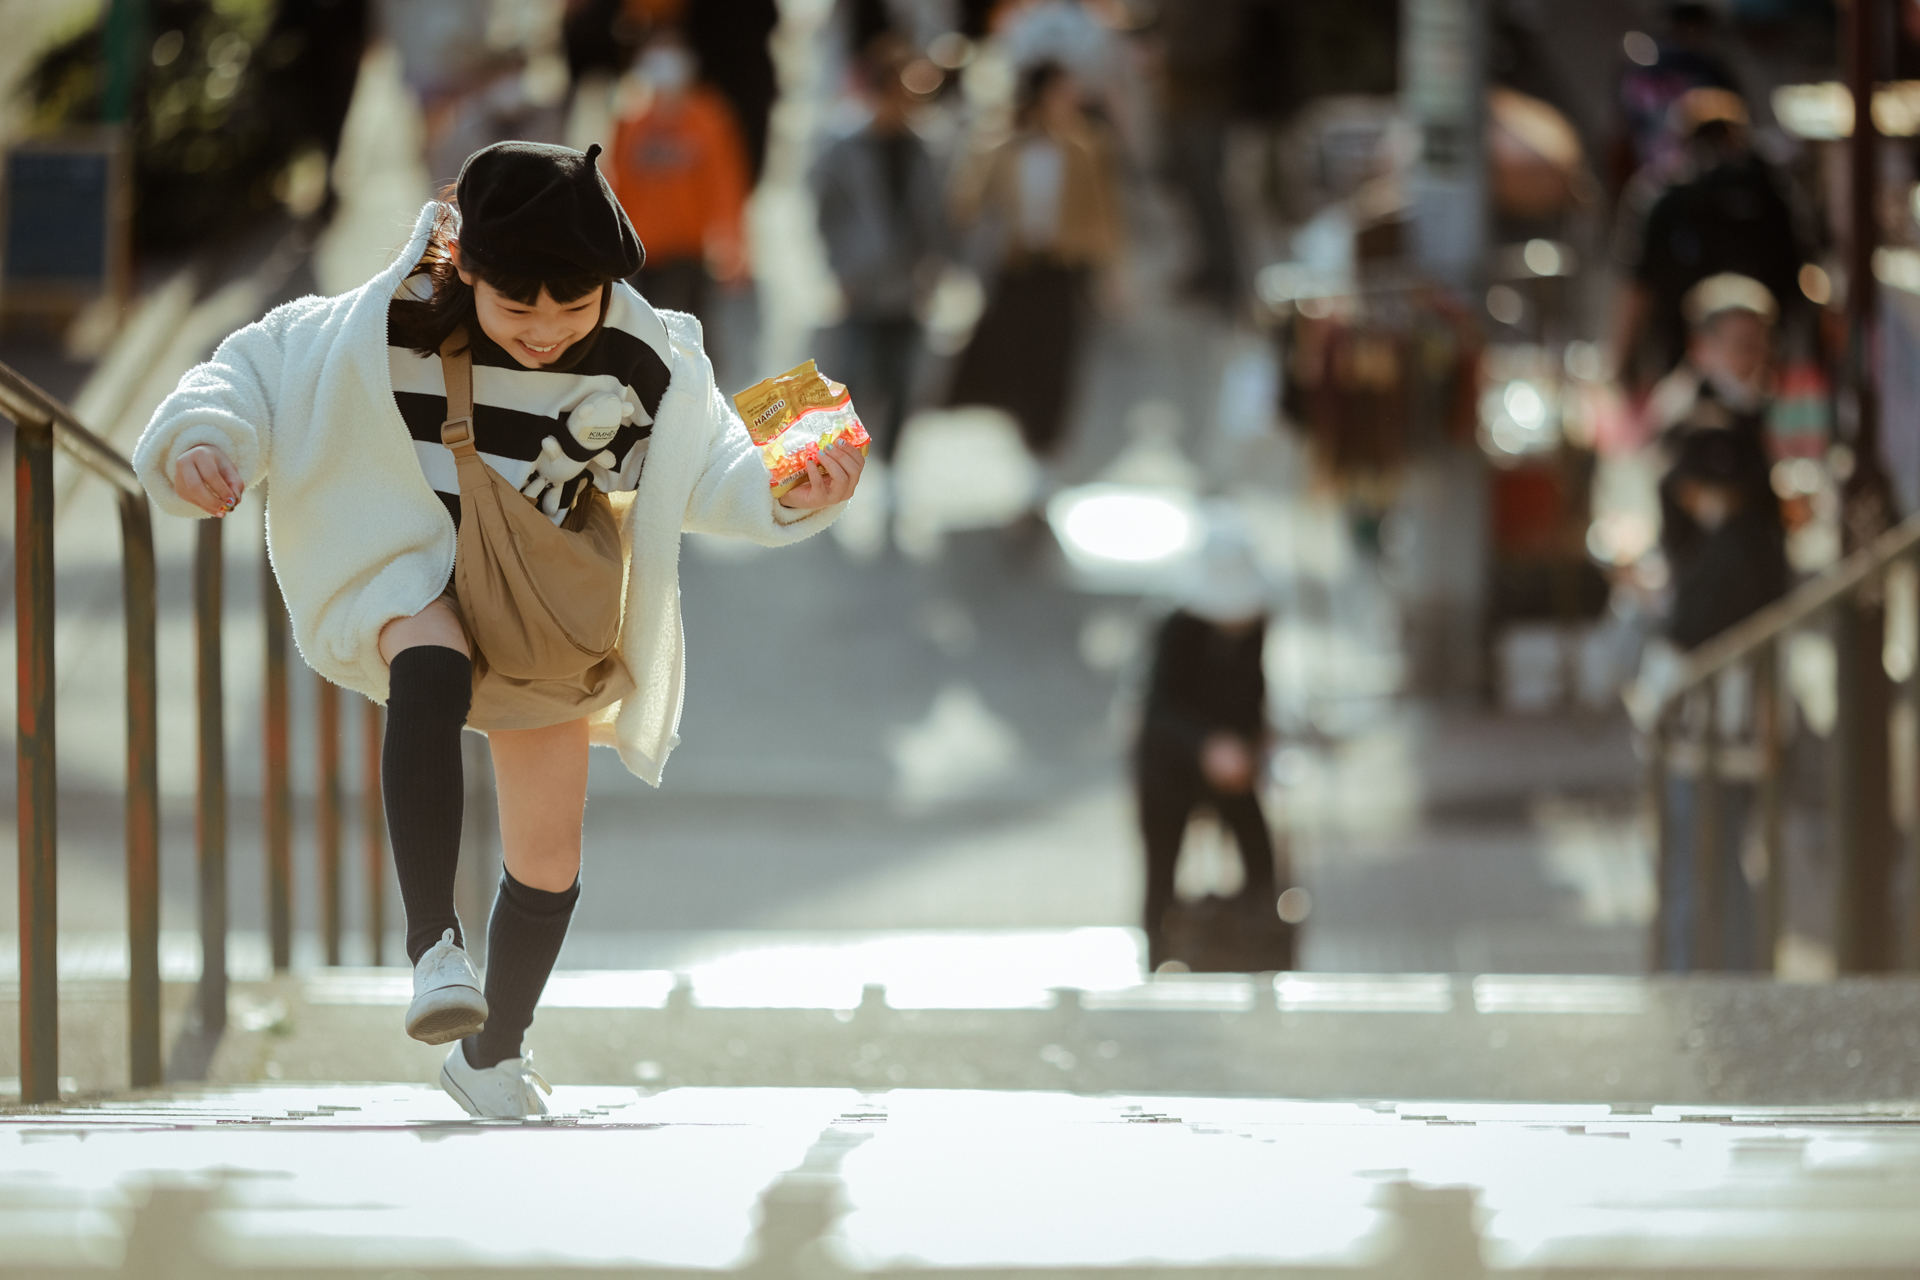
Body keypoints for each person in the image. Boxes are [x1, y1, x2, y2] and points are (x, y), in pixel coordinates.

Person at [132, 141, 863, 1117]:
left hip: (538, 600)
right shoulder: (384, 323)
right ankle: (433, 945)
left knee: (549, 855)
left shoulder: (639, 355)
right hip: (405, 567)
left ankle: (490, 1052)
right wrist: (203, 442)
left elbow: (708, 463)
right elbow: (253, 368)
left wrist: (793, 483)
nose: (548, 332)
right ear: (466, 268)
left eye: (574, 307)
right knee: (426, 656)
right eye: (519, 308)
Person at [1647, 275, 1787, 972]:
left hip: (1735, 659)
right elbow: (1725, 552)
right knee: (1699, 848)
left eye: (1758, 344)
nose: (1752, 356)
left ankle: (1733, 985)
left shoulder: (1745, 421)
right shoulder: (1699, 427)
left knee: (1729, 843)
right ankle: (1693, 988)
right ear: (1704, 347)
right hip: (1706, 660)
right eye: (1738, 344)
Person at [947, 60, 1121, 457]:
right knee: (1010, 353)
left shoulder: (1085, 145)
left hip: (1063, 266)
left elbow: (1104, 213)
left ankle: (1045, 442)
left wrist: (1112, 272)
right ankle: (1010, 432)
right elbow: (967, 203)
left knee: (1056, 357)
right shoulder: (1005, 145)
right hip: (1017, 265)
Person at [1134, 539, 1286, 973]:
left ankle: (1260, 945)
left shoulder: (1256, 624)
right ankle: (1158, 956)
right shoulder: (1176, 627)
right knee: (1161, 867)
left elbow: (1253, 687)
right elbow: (1160, 708)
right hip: (1170, 766)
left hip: (1235, 764)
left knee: (1259, 851)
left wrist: (1257, 738)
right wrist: (1206, 745)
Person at [810, 43, 947, 461]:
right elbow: (824, 211)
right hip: (862, 283)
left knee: (905, 382)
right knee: (849, 383)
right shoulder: (844, 147)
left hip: (908, 286)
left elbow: (937, 217)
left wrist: (935, 270)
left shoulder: (925, 150)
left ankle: (892, 470)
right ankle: (833, 468)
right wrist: (839, 268)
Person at [1610, 89, 1801, 385]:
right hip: (1761, 366)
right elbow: (1804, 274)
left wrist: (1620, 366)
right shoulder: (1771, 189)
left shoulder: (1662, 195)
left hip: (1685, 362)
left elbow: (1637, 289)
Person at [604, 32, 752, 322]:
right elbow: (616, 185)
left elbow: (725, 185)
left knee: (687, 338)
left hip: (689, 252)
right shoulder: (630, 118)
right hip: (641, 253)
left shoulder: (708, 116)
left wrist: (733, 248)